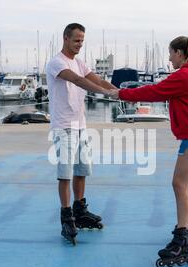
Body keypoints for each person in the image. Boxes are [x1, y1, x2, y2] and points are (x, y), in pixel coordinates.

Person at [108, 36, 188, 267]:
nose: (169, 58)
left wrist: (121, 94)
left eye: (171, 53)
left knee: (178, 183)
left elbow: (154, 92)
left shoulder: (185, 75)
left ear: (180, 53)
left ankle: (181, 238)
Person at [46, 23, 118, 245]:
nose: (79, 45)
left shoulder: (79, 62)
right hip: (63, 125)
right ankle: (67, 216)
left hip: (80, 124)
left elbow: (95, 78)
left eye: (82, 41)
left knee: (81, 170)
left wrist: (118, 91)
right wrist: (105, 93)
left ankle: (80, 209)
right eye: (76, 40)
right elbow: (78, 80)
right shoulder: (56, 62)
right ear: (66, 38)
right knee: (65, 174)